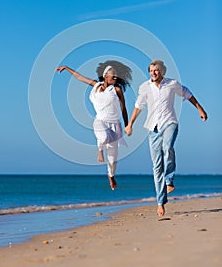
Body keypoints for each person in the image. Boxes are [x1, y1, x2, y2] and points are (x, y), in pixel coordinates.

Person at [125, 59, 207, 217]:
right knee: (156, 167)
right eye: (150, 71)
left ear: (162, 71)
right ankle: (160, 202)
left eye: (155, 70)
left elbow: (187, 94)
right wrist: (130, 124)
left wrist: (200, 109)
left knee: (167, 147)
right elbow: (138, 107)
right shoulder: (145, 87)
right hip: (153, 128)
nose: (153, 73)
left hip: (170, 123)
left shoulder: (172, 84)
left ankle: (169, 180)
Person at [56, 60, 132, 190]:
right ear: (105, 76)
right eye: (112, 75)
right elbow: (79, 77)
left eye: (116, 75)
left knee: (113, 159)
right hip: (100, 121)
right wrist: (66, 67)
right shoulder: (96, 85)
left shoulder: (117, 90)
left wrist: (127, 125)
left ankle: (111, 175)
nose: (115, 77)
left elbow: (123, 108)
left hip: (115, 125)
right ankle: (99, 150)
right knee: (102, 138)